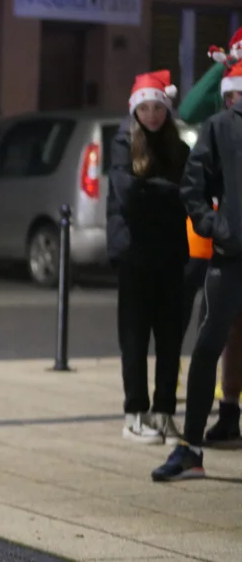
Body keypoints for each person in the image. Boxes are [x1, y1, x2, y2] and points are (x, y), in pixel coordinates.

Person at [152, 61, 242, 481]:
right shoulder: (220, 127)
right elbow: (193, 186)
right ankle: (191, 449)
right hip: (231, 255)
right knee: (208, 347)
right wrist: (215, 226)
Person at [107, 70, 190, 445]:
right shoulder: (123, 143)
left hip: (171, 255)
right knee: (135, 337)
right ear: (135, 110)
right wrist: (169, 193)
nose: (152, 115)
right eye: (145, 108)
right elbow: (127, 195)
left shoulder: (179, 149)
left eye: (158, 108)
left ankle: (164, 413)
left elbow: (187, 194)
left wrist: (154, 192)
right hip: (135, 254)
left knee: (170, 339)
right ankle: (135, 414)